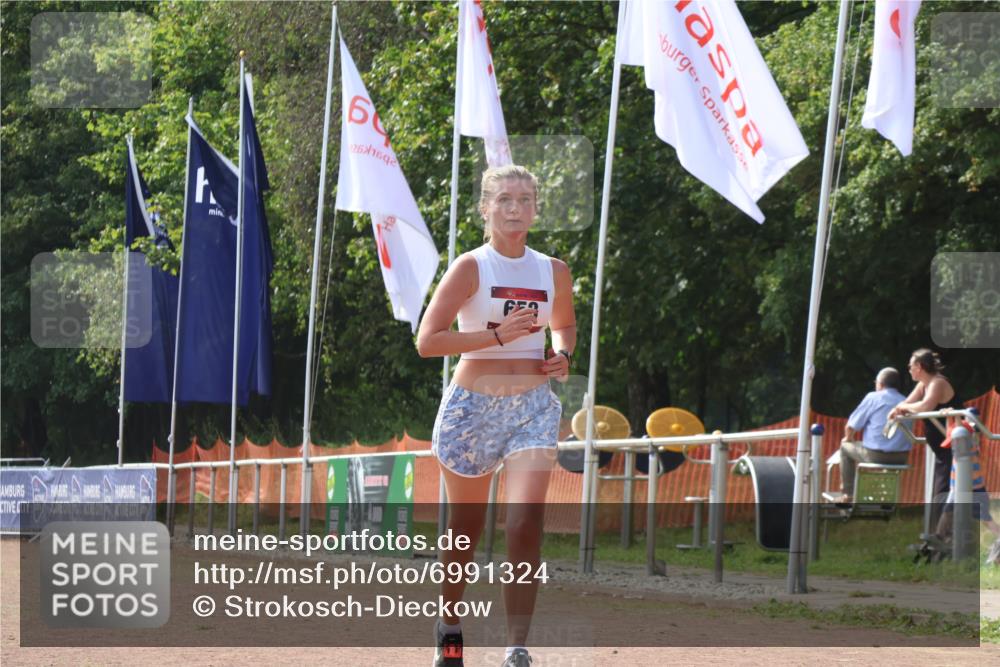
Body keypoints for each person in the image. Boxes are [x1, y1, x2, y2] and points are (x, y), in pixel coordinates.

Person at [416, 165, 576, 667]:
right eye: (504, 199)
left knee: (525, 521)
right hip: (472, 407)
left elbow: (564, 325)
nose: (515, 208)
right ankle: (450, 624)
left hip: (532, 406)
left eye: (525, 199)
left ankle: (517, 648)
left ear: (536, 208)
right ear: (486, 208)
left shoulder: (554, 270)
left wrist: (562, 354)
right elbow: (428, 341)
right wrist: (497, 336)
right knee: (466, 527)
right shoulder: (471, 267)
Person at [888, 348, 962, 528]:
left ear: (919, 367)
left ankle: (944, 540)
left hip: (954, 448)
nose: (909, 369)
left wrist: (904, 408)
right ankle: (939, 541)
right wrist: (898, 408)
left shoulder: (938, 383)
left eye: (910, 366)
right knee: (939, 494)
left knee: (944, 493)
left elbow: (925, 405)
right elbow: (907, 402)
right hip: (942, 450)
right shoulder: (923, 385)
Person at [834, 367, 910, 502]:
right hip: (901, 457)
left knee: (845, 447)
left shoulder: (873, 397)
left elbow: (851, 426)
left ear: (880, 384)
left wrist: (848, 439)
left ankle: (848, 494)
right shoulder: (906, 401)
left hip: (877, 455)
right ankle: (886, 497)